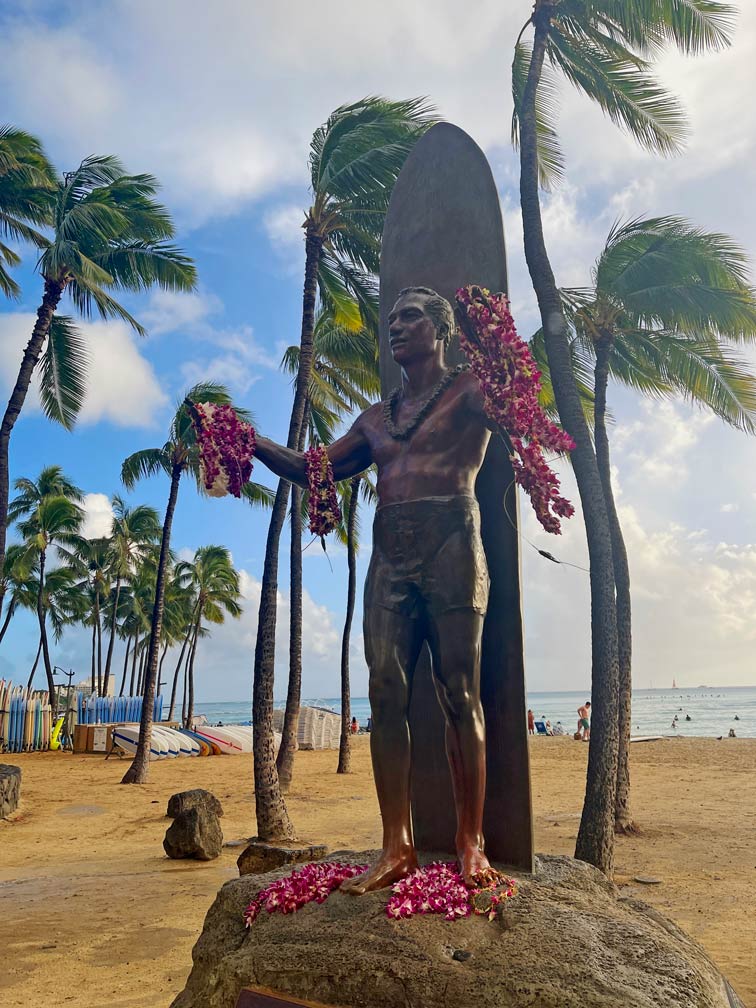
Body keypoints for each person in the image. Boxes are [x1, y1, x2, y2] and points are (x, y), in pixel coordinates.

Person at [253, 287, 499, 893]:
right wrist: (249, 440)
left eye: (410, 316)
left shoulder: (472, 391)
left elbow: (526, 418)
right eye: (391, 319)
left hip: (452, 543)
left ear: (440, 330)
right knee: (385, 689)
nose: (395, 326)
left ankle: (471, 841)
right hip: (390, 554)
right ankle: (397, 846)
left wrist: (504, 352)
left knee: (459, 689)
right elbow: (317, 469)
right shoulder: (375, 418)